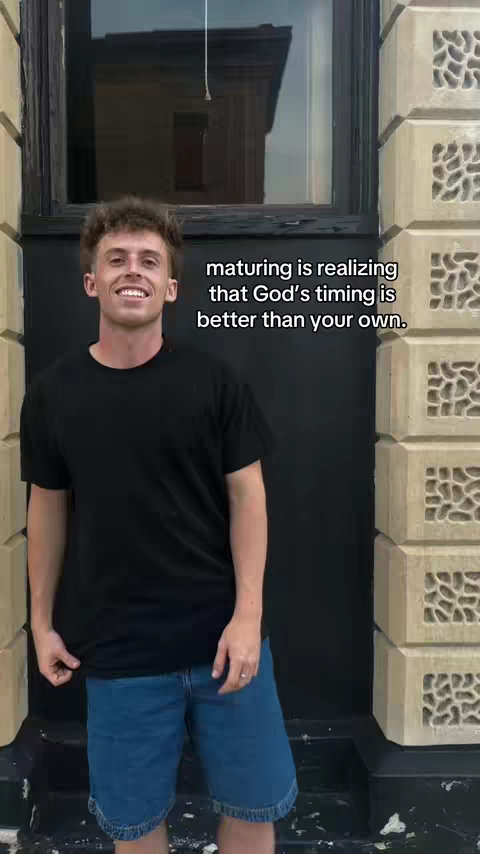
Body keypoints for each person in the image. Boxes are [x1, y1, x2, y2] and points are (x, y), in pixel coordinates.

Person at [20, 196, 298, 854]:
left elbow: (248, 498)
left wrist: (249, 616)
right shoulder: (54, 395)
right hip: (118, 651)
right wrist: (39, 621)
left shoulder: (213, 382)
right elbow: (47, 507)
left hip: (224, 641)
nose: (132, 271)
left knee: (254, 807)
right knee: (135, 824)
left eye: (149, 260)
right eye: (116, 259)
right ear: (92, 281)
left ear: (170, 286)